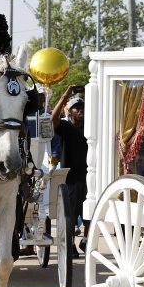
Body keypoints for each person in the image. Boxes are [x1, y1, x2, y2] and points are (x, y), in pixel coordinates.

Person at [51, 88, 88, 255]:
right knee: (71, 212)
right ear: (69, 111)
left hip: (88, 174)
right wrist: (64, 97)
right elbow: (53, 120)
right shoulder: (65, 126)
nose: (80, 111)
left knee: (89, 211)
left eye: (82, 108)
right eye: (76, 108)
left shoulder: (90, 126)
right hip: (71, 176)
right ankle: (70, 243)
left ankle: (87, 240)